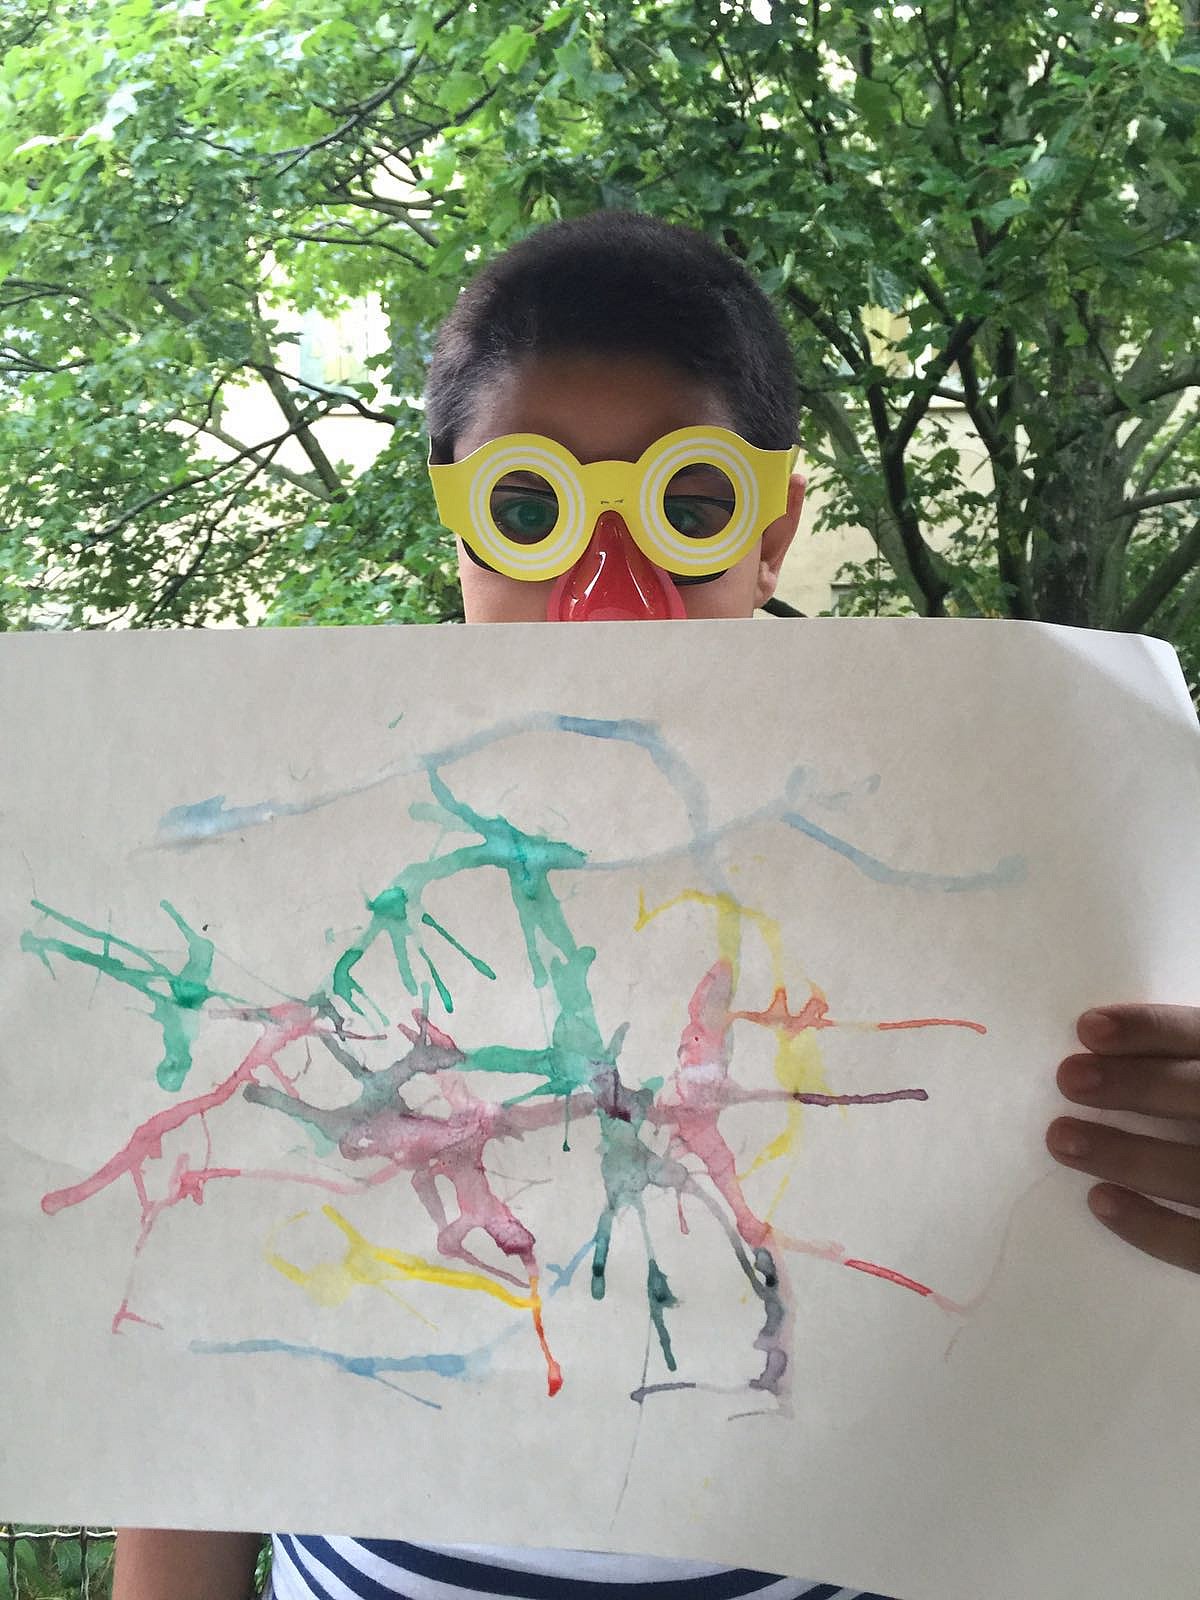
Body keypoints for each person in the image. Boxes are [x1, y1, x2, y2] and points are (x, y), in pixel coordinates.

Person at [114, 211, 1200, 1600]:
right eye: (531, 512)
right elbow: (175, 1397)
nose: (609, 593)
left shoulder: (999, 859)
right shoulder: (280, 866)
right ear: (459, 525)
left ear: (774, 530)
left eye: (691, 509)